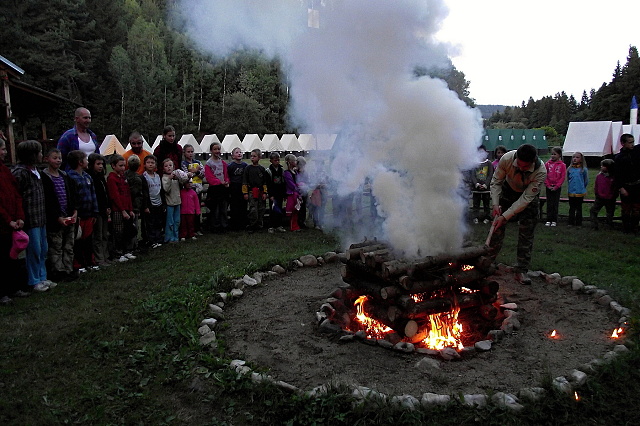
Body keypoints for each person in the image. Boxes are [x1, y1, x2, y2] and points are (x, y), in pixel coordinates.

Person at [489, 144, 546, 285]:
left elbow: (525, 199)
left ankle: (521, 269)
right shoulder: (506, 159)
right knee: (497, 228)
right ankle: (489, 262)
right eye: (519, 164)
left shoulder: (540, 171)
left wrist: (505, 216)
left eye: (525, 166)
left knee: (526, 233)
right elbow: (496, 182)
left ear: (532, 161)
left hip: (528, 198)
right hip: (508, 191)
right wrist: (495, 204)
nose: (521, 168)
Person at [12, 140, 56, 292]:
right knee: (34, 250)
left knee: (43, 249)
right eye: (39, 152)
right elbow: (17, 195)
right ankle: (34, 280)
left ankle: (42, 276)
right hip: (30, 219)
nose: (41, 155)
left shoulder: (37, 171)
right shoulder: (20, 173)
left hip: (41, 217)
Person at [42, 148, 78, 281]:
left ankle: (68, 268)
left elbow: (72, 194)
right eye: (55, 158)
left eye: (60, 158)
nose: (58, 160)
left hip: (68, 215)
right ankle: (58, 271)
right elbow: (48, 201)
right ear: (47, 159)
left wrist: (75, 211)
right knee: (56, 246)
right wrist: (57, 217)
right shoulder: (44, 177)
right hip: (55, 219)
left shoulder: (65, 176)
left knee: (69, 245)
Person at [0, 137, 27, 303]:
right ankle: (2, 291)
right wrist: (7, 220)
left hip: (13, 222)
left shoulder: (5, 170)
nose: (5, 152)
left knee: (13, 256)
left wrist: (19, 216)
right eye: (3, 149)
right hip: (3, 224)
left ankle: (14, 287)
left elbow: (16, 194)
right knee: (2, 257)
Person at [67, 150, 99, 271]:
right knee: (77, 240)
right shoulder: (70, 177)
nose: (87, 162)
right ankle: (79, 264)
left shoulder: (87, 176)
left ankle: (89, 261)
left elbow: (93, 195)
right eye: (85, 159)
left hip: (89, 214)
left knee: (88, 239)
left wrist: (95, 211)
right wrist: (75, 212)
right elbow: (72, 197)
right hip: (79, 215)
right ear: (80, 162)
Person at [107, 154, 136, 262]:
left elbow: (128, 194)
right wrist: (122, 210)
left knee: (127, 231)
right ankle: (118, 253)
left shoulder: (123, 178)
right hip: (118, 210)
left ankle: (126, 250)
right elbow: (115, 196)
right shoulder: (111, 178)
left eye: (124, 165)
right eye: (120, 166)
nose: (123, 168)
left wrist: (130, 209)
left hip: (127, 208)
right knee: (118, 232)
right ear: (113, 166)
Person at [87, 153, 111, 266]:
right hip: (97, 210)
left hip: (105, 210)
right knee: (98, 235)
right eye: (98, 164)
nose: (100, 166)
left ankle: (106, 255)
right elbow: (96, 196)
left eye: (102, 164)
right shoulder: (91, 178)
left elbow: (105, 194)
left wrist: (108, 206)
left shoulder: (101, 178)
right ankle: (99, 258)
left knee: (105, 234)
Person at [614, 133, 640, 234]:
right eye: (629, 142)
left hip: (637, 185)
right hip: (626, 186)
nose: (632, 144)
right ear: (623, 143)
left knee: (637, 208)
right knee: (626, 209)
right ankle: (626, 228)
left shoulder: (637, 152)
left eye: (633, 142)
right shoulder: (619, 158)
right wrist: (621, 187)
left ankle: (635, 227)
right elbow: (617, 175)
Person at [204, 142, 229, 233]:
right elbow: (209, 177)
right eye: (215, 149)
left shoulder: (222, 162)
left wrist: (226, 181)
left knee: (223, 208)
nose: (217, 151)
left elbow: (226, 174)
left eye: (218, 149)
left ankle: (224, 225)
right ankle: (215, 226)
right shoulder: (209, 163)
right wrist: (219, 182)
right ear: (211, 150)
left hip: (223, 188)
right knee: (215, 209)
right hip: (214, 189)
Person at [141, 155, 164, 248]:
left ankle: (158, 238)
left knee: (158, 222)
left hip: (159, 202)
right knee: (150, 223)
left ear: (155, 165)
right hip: (150, 204)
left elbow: (161, 190)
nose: (150, 164)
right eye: (148, 163)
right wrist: (146, 206)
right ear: (144, 164)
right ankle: (151, 240)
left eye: (152, 163)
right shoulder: (144, 177)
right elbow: (144, 193)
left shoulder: (158, 176)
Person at [242, 149, 268, 233]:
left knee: (261, 209)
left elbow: (264, 182)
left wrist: (265, 192)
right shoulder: (248, 169)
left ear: (259, 157)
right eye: (251, 156)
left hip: (260, 192)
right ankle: (252, 225)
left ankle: (259, 225)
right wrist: (245, 193)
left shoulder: (261, 169)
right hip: (251, 192)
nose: (252, 158)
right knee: (253, 209)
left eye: (254, 156)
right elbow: (244, 181)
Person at [181, 144, 204, 235]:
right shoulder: (183, 164)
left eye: (192, 152)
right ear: (184, 153)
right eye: (188, 152)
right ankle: (190, 229)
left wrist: (196, 171)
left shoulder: (198, 162)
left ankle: (197, 227)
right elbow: (186, 175)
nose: (190, 153)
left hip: (198, 189)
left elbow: (203, 173)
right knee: (190, 210)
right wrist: (196, 172)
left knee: (197, 208)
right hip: (189, 189)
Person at [124, 155, 146, 251]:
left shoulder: (124, 175)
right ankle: (133, 246)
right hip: (134, 205)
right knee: (134, 226)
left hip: (127, 205)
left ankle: (131, 245)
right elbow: (136, 193)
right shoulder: (137, 178)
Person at [590, 159, 617, 230]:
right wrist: (597, 194)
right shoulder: (599, 176)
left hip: (610, 198)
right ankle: (594, 225)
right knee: (593, 211)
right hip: (600, 198)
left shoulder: (613, 177)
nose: (601, 167)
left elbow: (615, 188)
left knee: (610, 212)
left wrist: (613, 196)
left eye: (603, 166)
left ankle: (609, 225)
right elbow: (596, 186)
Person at [471, 145, 494, 224]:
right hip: (476, 189)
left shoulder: (489, 163)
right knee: (476, 204)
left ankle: (487, 217)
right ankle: (475, 217)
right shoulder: (474, 163)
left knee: (486, 204)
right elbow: (473, 175)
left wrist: (485, 185)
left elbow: (490, 175)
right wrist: (476, 184)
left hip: (486, 189)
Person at [227, 147, 248, 231]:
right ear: (233, 156)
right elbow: (228, 176)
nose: (239, 153)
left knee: (243, 205)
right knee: (234, 206)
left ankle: (243, 223)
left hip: (243, 187)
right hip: (234, 187)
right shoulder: (231, 166)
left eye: (240, 152)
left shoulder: (245, 165)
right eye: (237, 152)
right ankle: (235, 224)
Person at [544, 146, 566, 227]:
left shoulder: (562, 165)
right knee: (549, 203)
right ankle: (548, 219)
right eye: (552, 154)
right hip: (549, 187)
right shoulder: (547, 164)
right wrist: (548, 185)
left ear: (559, 155)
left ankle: (554, 220)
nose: (553, 156)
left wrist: (557, 186)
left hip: (557, 187)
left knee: (555, 204)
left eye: (555, 154)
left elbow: (562, 177)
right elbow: (545, 175)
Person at [161, 158, 181, 243]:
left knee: (177, 221)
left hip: (177, 202)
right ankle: (169, 237)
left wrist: (178, 178)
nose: (169, 167)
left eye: (170, 165)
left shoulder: (176, 177)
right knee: (170, 222)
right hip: (169, 203)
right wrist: (169, 179)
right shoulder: (164, 178)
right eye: (166, 166)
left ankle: (176, 236)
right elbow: (166, 189)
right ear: (163, 168)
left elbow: (183, 182)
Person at [265, 152, 286, 233]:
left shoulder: (282, 170)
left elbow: (283, 183)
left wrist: (284, 194)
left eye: (278, 160)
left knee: (279, 209)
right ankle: (271, 226)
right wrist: (271, 195)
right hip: (273, 194)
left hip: (280, 194)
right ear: (271, 161)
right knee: (273, 210)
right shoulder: (268, 171)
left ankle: (279, 225)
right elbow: (268, 184)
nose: (277, 162)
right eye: (275, 160)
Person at [567, 151, 588, 227]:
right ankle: (571, 222)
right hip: (571, 192)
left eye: (577, 157)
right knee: (572, 208)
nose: (575, 159)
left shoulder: (583, 169)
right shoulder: (569, 169)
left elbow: (586, 181)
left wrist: (582, 187)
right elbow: (568, 179)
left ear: (581, 159)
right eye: (573, 157)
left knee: (579, 208)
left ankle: (579, 223)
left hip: (580, 192)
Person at [283, 154, 302, 232]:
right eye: (295, 161)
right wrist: (298, 188)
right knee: (293, 210)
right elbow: (291, 184)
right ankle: (293, 226)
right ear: (290, 162)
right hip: (292, 194)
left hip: (296, 193)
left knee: (296, 210)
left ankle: (296, 225)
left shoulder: (295, 172)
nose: (296, 162)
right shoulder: (286, 173)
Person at [296, 156, 309, 229]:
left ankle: (303, 221)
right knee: (298, 208)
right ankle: (297, 222)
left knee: (303, 207)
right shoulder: (295, 172)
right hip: (297, 193)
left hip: (304, 192)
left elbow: (308, 181)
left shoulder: (305, 173)